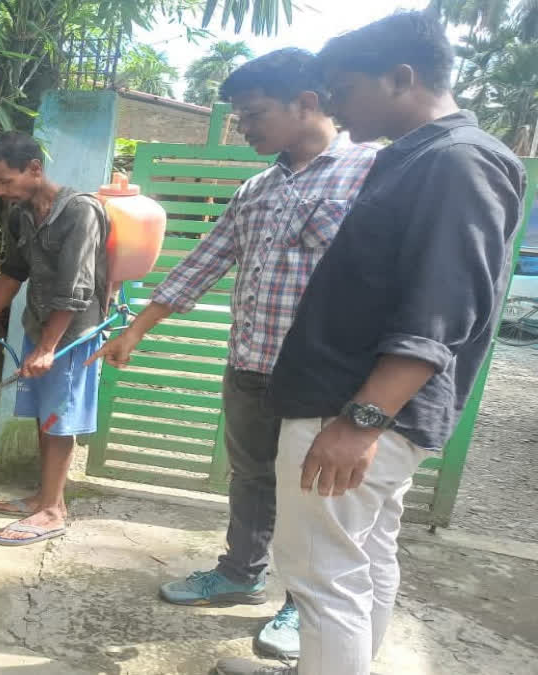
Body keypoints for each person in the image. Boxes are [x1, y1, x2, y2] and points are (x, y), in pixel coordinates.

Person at [214, 12, 527, 675]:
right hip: (356, 404)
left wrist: (360, 420)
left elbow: (443, 308)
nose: (331, 104)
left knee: (322, 575)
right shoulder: (414, 157)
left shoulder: (459, 161)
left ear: (402, 78)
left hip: (354, 406)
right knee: (362, 558)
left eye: (344, 88)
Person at [88, 48, 378, 660]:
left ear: (308, 103)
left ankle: (304, 605)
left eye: (253, 113)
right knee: (251, 479)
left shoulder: (369, 174)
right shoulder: (256, 188)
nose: (244, 126)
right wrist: (138, 328)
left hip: (321, 379)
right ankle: (241, 572)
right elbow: (204, 263)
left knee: (314, 494)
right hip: (249, 365)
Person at [0, 131, 108, 547]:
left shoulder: (80, 212)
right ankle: (43, 495)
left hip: (71, 334)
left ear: (35, 168)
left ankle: (53, 511)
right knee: (45, 414)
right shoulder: (21, 214)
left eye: (6, 181)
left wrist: (48, 348)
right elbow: (12, 272)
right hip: (40, 326)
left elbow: (77, 289)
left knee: (59, 421)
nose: (1, 192)